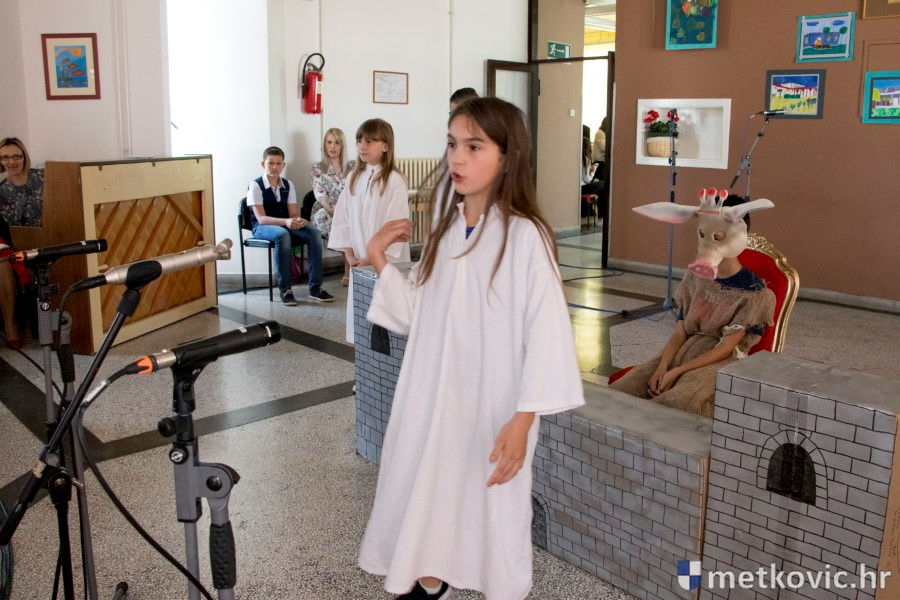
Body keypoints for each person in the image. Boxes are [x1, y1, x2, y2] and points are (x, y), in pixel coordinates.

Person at [358, 97, 584, 600]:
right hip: (432, 396)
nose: (457, 158)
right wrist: (378, 258)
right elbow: (418, 312)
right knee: (426, 487)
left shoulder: (525, 237)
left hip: (492, 405)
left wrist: (523, 420)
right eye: (452, 144)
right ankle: (429, 579)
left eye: (474, 146)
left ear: (507, 156)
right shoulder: (446, 231)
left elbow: (547, 334)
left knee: (489, 508)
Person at [610, 195, 776, 417]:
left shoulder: (754, 293)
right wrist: (663, 366)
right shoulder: (695, 278)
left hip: (719, 360)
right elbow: (681, 330)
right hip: (684, 349)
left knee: (679, 403)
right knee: (622, 391)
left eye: (718, 236)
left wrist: (677, 372)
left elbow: (726, 348)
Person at [328, 118, 410, 344]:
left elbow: (396, 224)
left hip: (385, 260)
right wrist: (349, 253)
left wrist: (373, 256)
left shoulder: (395, 180)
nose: (362, 146)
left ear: (385, 146)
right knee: (362, 316)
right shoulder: (354, 177)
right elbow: (343, 218)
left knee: (387, 320)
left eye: (369, 141)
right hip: (359, 259)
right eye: (359, 141)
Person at [246, 146, 334, 305]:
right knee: (282, 234)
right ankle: (285, 289)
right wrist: (286, 222)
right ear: (263, 164)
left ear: (283, 165)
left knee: (313, 232)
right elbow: (261, 219)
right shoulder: (256, 185)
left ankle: (315, 287)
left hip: (284, 224)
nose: (274, 167)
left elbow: (293, 214)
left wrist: (299, 220)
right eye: (270, 163)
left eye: (278, 163)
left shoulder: (288, 185)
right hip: (262, 227)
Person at [311, 128, 356, 285]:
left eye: (337, 142)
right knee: (327, 219)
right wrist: (331, 210)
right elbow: (320, 193)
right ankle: (349, 265)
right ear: (324, 144)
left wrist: (348, 209)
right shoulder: (317, 167)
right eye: (329, 142)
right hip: (327, 208)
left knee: (353, 220)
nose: (333, 146)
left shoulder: (353, 166)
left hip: (349, 207)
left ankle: (353, 264)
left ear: (342, 145)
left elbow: (357, 190)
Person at [0, 137, 44, 227]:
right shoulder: (2, 192)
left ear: (24, 157)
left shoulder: (43, 176)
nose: (11, 162)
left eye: (16, 156)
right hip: (24, 235)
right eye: (5, 157)